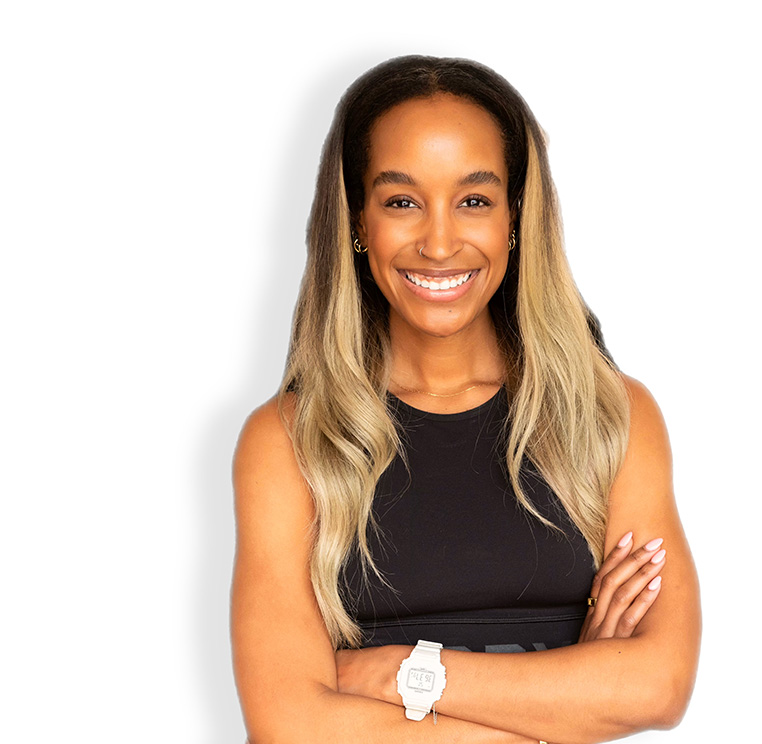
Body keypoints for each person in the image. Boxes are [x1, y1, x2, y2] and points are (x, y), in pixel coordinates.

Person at [231, 55, 701, 744]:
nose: (441, 241)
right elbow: (292, 727)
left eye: (474, 200)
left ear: (516, 217)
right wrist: (572, 701)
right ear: (358, 221)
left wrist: (392, 673)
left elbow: (658, 685)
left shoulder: (611, 418)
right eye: (401, 201)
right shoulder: (289, 442)